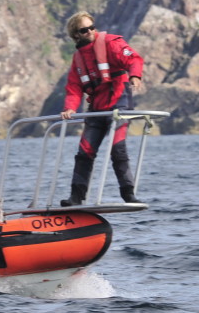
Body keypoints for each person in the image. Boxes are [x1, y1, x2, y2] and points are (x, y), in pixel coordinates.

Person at [59, 11, 145, 206]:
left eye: (92, 27)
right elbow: (73, 87)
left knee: (117, 150)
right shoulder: (78, 58)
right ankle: (76, 197)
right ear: (76, 35)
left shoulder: (111, 43)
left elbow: (134, 59)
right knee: (84, 152)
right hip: (97, 108)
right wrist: (70, 109)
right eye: (84, 29)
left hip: (119, 103)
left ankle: (128, 193)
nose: (90, 31)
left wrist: (135, 76)